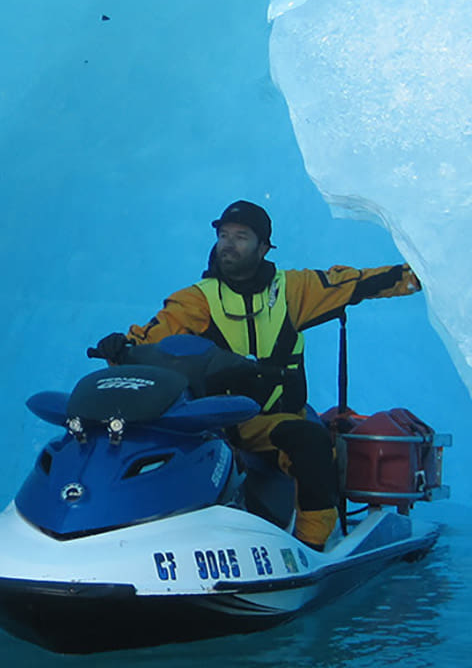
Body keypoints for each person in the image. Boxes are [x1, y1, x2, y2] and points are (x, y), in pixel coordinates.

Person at [91, 200, 421, 551]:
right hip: (214, 421)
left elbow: (355, 284)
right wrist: (120, 349)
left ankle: (309, 549)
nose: (228, 244)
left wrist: (418, 275)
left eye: (241, 237)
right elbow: (149, 340)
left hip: (275, 421)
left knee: (310, 441)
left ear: (263, 247)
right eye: (223, 236)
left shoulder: (293, 290)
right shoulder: (197, 300)